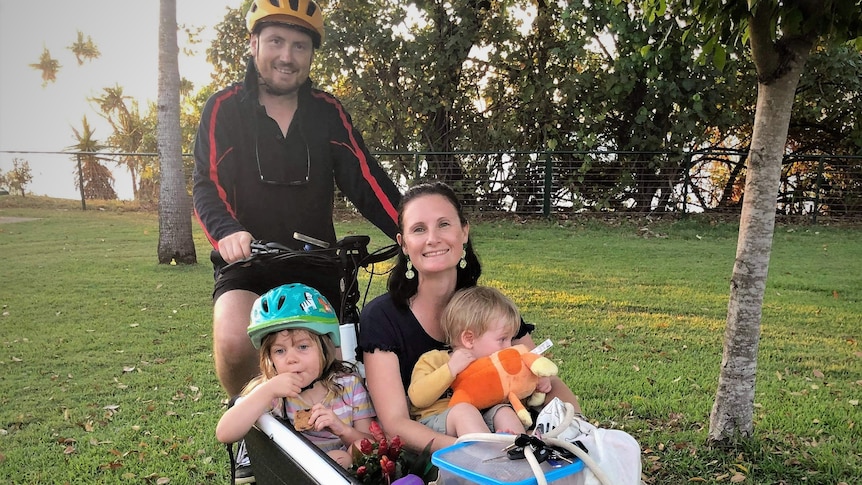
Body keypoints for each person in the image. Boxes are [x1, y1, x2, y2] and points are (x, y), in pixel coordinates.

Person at [192, 0, 401, 399]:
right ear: (253, 44)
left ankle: (330, 436)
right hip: (247, 260)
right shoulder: (223, 108)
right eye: (276, 41)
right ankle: (251, 432)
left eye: (299, 46)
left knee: (339, 359)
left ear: (310, 54)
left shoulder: (327, 111)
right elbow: (207, 184)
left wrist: (407, 230)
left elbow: (365, 178)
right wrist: (227, 233)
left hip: (317, 258)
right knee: (237, 343)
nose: (287, 56)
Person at [358, 181, 582, 453]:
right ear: (403, 244)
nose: (432, 238)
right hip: (441, 450)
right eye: (419, 229)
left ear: (464, 232)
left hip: (513, 434)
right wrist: (478, 454)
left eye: (444, 224)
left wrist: (576, 432)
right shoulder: (383, 317)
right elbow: (396, 424)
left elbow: (544, 379)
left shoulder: (488, 307)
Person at [216, 283, 376, 469]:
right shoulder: (273, 393)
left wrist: (342, 429)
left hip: (342, 469)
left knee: (346, 453)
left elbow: (371, 445)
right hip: (293, 471)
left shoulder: (349, 385)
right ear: (270, 358)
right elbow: (224, 432)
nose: (291, 359)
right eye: (280, 351)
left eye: (302, 347)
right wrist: (267, 391)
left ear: (325, 347)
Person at [408, 286, 544, 438]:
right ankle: (485, 456)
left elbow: (509, 394)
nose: (509, 347)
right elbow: (417, 398)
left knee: (504, 411)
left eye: (510, 339)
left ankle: (519, 449)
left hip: (483, 419)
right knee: (464, 411)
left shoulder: (495, 369)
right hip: (437, 424)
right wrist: (450, 369)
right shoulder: (435, 360)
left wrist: (535, 388)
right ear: (469, 339)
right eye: (502, 339)